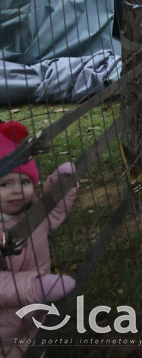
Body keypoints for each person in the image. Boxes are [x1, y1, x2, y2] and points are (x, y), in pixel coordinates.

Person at [0, 121, 77, 357]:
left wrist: (61, 187)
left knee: (33, 344)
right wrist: (34, 288)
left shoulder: (33, 213)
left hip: (34, 313)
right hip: (4, 323)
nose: (17, 191)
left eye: (24, 182)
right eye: (4, 184)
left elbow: (53, 213)